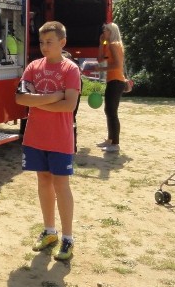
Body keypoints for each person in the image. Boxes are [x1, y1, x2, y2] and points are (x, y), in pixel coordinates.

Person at [15, 21, 81, 261]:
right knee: (43, 181)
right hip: (35, 137)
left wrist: (38, 101)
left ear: (62, 43)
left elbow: (69, 105)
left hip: (60, 139)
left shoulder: (70, 69)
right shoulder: (33, 67)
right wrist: (54, 96)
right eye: (41, 42)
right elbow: (21, 99)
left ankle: (68, 238)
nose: (44, 46)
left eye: (49, 42)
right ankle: (50, 231)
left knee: (61, 185)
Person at [95, 23, 125, 153]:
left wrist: (101, 69)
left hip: (116, 81)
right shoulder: (110, 44)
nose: (103, 31)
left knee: (112, 112)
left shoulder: (114, 45)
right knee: (109, 111)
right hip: (113, 81)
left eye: (105, 30)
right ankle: (110, 140)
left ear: (111, 31)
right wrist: (102, 43)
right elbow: (100, 58)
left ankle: (115, 143)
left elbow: (117, 65)